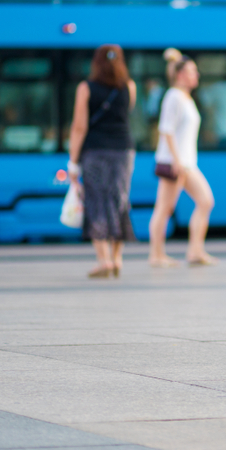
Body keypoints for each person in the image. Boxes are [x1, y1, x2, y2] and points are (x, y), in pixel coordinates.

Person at [67, 45, 137, 279]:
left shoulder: (85, 88)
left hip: (95, 151)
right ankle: (118, 259)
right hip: (124, 151)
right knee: (119, 201)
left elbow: (79, 127)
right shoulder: (130, 86)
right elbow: (127, 114)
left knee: (97, 202)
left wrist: (73, 162)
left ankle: (104, 260)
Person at [147, 49, 216, 268]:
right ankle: (156, 254)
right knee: (164, 208)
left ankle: (195, 250)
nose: (196, 75)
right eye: (192, 71)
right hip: (175, 162)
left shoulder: (185, 98)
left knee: (205, 201)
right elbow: (165, 130)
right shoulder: (173, 97)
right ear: (180, 75)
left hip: (187, 163)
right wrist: (176, 161)